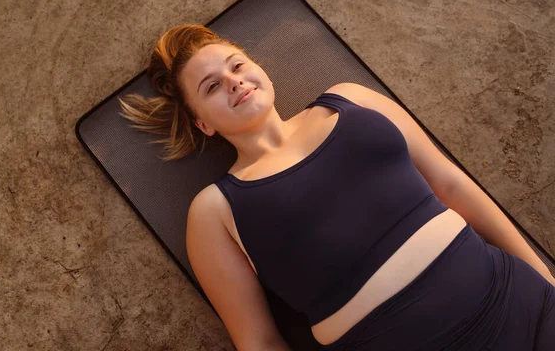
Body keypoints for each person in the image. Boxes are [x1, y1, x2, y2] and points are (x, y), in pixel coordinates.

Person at [119, 24, 555, 350]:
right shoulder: (213, 211)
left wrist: (545, 278)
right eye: (212, 86)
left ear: (259, 69)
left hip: (521, 301)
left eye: (237, 65)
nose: (234, 80)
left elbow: (453, 184)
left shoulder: (350, 100)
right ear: (203, 123)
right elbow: (260, 343)